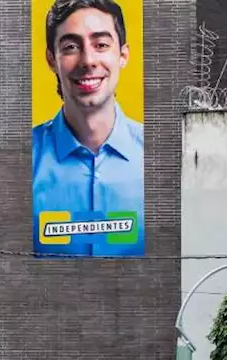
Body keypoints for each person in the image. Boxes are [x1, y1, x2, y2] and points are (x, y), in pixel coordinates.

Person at [31, 0, 143, 244]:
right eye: (71, 47)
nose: (88, 61)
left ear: (123, 55)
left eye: (101, 44)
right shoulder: (22, 158)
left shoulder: (159, 156)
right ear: (52, 60)